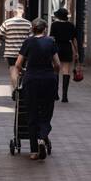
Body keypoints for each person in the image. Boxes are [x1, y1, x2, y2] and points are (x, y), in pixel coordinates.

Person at [12, 19, 62, 162]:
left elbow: (18, 64)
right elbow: (57, 63)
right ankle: (42, 137)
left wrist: (23, 71)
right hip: (48, 80)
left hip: (31, 80)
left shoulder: (28, 42)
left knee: (32, 114)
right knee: (46, 112)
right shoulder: (51, 42)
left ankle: (34, 151)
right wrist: (54, 72)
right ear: (44, 29)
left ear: (33, 29)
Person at [49, 8, 81, 103]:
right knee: (66, 70)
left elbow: (52, 38)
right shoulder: (71, 25)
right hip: (67, 47)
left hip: (57, 47)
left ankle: (55, 94)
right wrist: (76, 52)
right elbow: (74, 40)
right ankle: (65, 96)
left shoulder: (54, 25)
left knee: (56, 69)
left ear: (58, 16)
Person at [0, 6, 33, 75]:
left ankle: (15, 84)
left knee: (12, 68)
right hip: (23, 52)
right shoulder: (28, 23)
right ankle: (21, 80)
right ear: (23, 12)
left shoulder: (7, 22)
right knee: (22, 67)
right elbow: (31, 38)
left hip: (10, 52)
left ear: (13, 12)